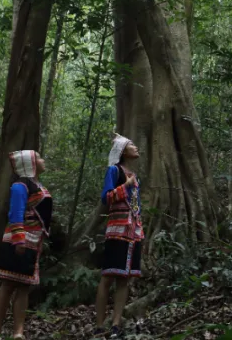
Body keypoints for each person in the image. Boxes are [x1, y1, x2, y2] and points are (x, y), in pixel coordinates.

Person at [0, 150, 52, 340]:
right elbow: (15, 213)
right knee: (8, 284)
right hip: (18, 239)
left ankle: (18, 331)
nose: (43, 160)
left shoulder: (37, 185)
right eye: (39, 158)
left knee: (24, 286)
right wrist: (19, 240)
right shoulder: (20, 186)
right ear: (31, 163)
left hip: (33, 240)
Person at [94, 135, 143, 337]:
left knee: (124, 279)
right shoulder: (114, 171)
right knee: (108, 276)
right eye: (132, 144)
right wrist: (126, 185)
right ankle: (99, 324)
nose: (136, 146)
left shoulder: (133, 174)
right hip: (117, 230)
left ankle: (115, 323)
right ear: (122, 151)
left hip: (134, 231)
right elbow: (106, 197)